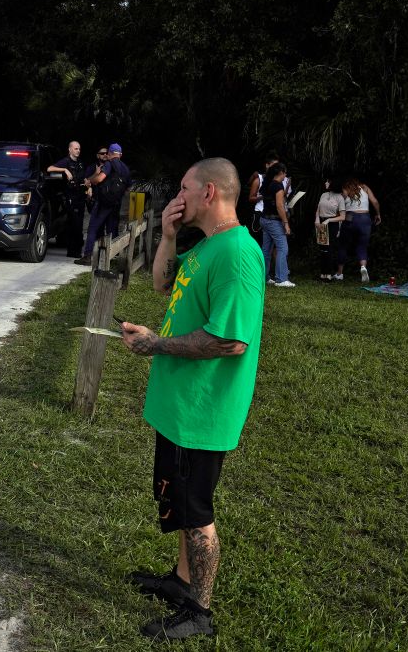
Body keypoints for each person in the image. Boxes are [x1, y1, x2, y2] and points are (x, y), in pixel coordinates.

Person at [121, 158, 265, 641]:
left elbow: (232, 342)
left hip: (202, 409)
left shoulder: (238, 254)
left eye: (183, 189)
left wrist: (155, 344)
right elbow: (163, 285)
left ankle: (199, 612)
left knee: (196, 507)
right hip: (179, 405)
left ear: (209, 193)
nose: (176, 198)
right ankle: (182, 582)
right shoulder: (208, 245)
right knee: (178, 500)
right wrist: (165, 235)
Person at [75, 142, 131, 265]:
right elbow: (128, 189)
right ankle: (112, 258)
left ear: (110, 154)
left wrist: (91, 181)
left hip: (103, 203)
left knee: (93, 228)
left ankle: (88, 256)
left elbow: (100, 179)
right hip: (116, 203)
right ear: (120, 154)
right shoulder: (126, 168)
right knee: (112, 230)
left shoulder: (109, 164)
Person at [335, 178, 381, 282]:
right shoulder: (365, 187)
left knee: (343, 245)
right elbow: (375, 201)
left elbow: (339, 205)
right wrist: (378, 214)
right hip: (365, 218)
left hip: (350, 217)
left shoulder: (345, 189)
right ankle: (363, 267)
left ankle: (339, 273)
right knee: (362, 245)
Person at [47, 141, 88, 257]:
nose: (78, 151)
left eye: (79, 149)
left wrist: (88, 185)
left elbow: (83, 177)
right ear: (70, 150)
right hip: (71, 197)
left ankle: (77, 251)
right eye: (75, 149)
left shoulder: (80, 163)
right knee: (73, 224)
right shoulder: (65, 162)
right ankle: (72, 251)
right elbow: (50, 169)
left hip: (80, 196)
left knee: (79, 225)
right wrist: (64, 170)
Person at [258, 162, 295, 287]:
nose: (286, 175)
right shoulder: (278, 186)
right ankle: (281, 278)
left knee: (266, 250)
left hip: (264, 219)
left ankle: (264, 277)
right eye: (285, 173)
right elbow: (279, 206)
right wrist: (286, 223)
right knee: (282, 248)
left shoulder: (267, 183)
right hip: (274, 221)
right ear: (281, 173)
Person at [315, 178, 346, 281]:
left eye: (328, 181)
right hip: (321, 224)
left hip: (332, 224)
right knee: (322, 249)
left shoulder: (340, 198)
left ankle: (328, 274)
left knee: (329, 249)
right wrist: (317, 220)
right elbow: (318, 209)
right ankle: (322, 273)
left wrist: (329, 220)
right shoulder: (323, 194)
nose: (326, 183)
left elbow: (342, 217)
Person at [245, 151, 279, 240]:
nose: (276, 168)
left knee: (271, 243)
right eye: (274, 165)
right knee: (258, 240)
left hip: (273, 215)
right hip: (259, 214)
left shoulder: (278, 180)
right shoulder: (259, 179)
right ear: (267, 165)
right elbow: (251, 198)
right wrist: (263, 196)